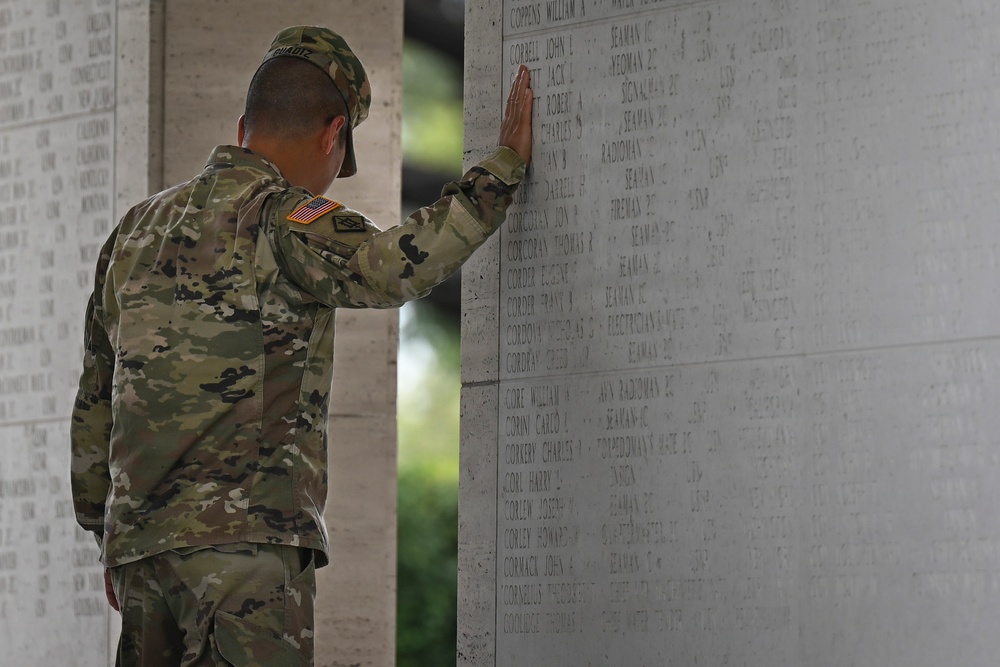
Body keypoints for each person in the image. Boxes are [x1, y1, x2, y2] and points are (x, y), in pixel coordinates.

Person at [70, 25, 532, 666]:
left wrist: (108, 534)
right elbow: (396, 265)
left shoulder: (134, 232)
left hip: (141, 557)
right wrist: (500, 171)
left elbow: (95, 398)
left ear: (243, 126)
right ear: (333, 134)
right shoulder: (286, 217)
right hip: (244, 553)